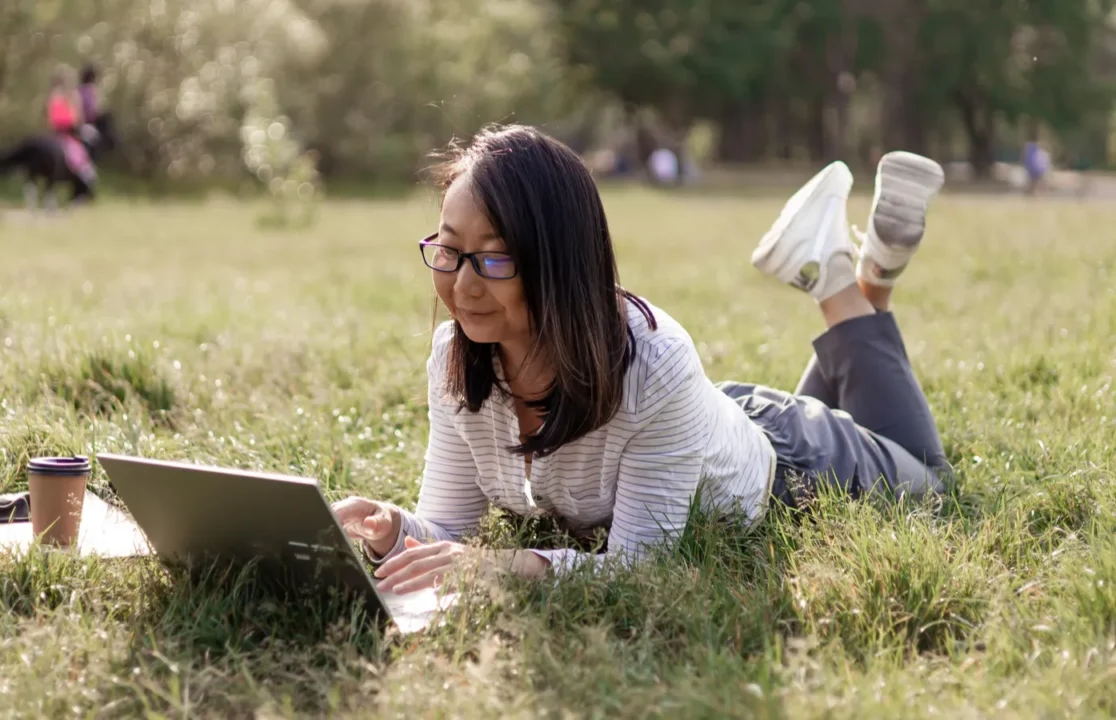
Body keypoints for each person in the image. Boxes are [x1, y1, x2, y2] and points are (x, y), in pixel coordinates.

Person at [333, 125, 950, 594]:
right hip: (700, 428)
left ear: (561, 260)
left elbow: (641, 567)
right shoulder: (456, 359)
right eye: (449, 250)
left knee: (934, 484)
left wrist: (507, 565)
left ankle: (844, 284)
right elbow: (450, 533)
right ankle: (864, 274)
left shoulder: (655, 363)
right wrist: (394, 531)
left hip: (796, 471)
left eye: (495, 258)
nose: (462, 286)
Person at [46, 66, 96, 187]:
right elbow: (77, 118)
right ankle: (85, 173)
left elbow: (50, 119)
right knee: (82, 148)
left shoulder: (53, 96)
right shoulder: (70, 96)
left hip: (57, 131)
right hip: (66, 132)